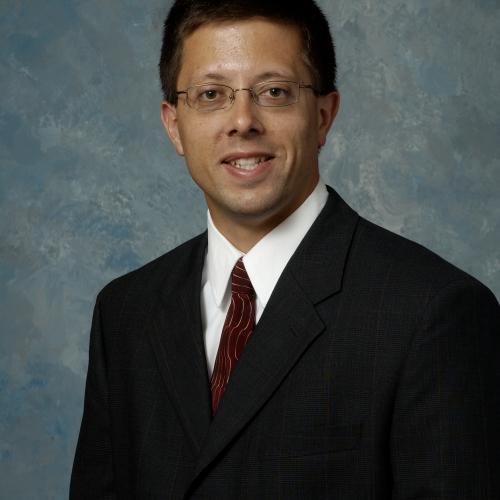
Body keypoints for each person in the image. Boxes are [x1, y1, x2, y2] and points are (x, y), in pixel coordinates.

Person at [70, 0, 500, 498]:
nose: (242, 121)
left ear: (323, 116)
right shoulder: (126, 311)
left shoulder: (433, 313)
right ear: (174, 125)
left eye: (274, 92)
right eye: (211, 94)